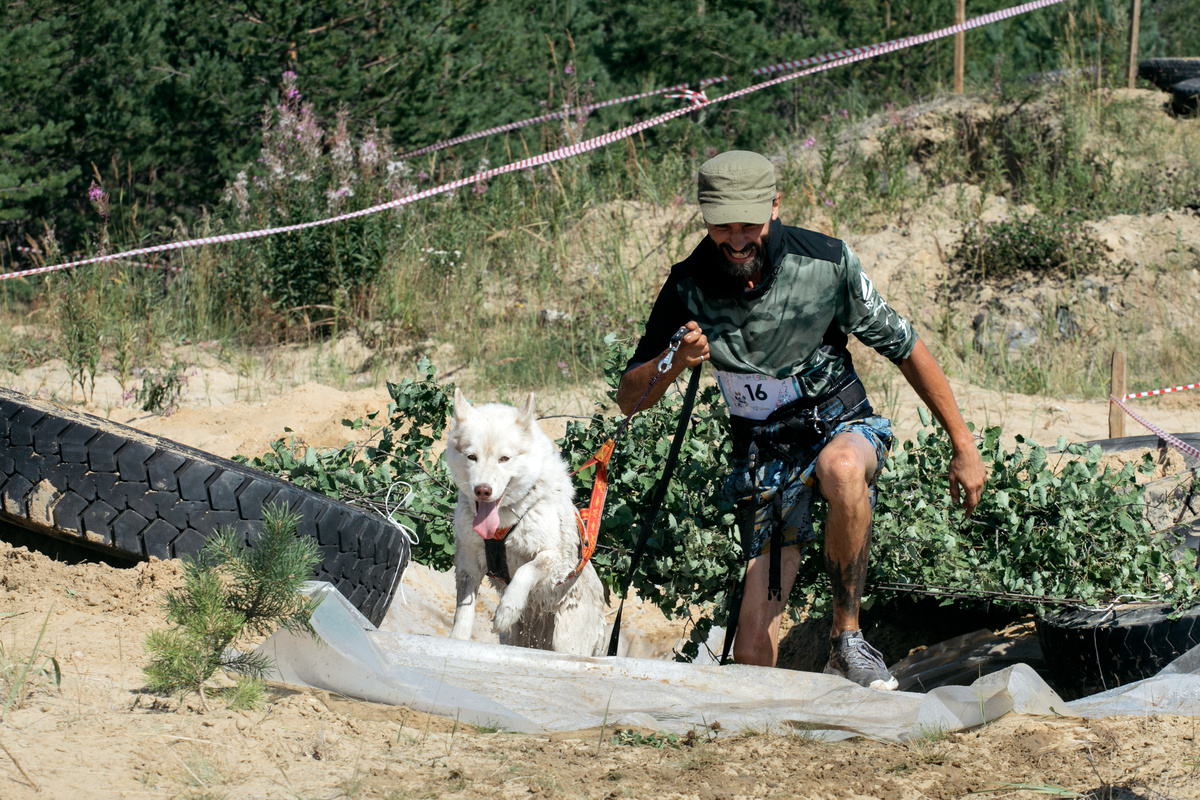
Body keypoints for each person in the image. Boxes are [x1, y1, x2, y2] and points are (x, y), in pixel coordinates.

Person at [617, 150, 986, 690]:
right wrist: (675, 359)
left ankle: (847, 640)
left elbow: (906, 348)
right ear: (705, 217)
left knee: (840, 468)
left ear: (775, 205)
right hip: (764, 456)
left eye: (749, 224)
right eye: (723, 226)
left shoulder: (827, 263)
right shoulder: (688, 284)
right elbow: (630, 397)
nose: (737, 239)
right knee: (749, 650)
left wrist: (964, 445)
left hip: (841, 425)